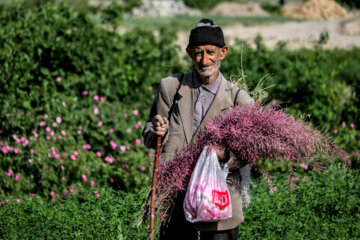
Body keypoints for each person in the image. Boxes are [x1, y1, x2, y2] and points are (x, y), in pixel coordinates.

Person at [143, 18, 254, 240]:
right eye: (198, 52)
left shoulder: (238, 100)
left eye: (210, 52)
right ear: (189, 52)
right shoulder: (171, 87)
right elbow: (149, 134)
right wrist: (156, 131)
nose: (204, 60)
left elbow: (250, 153)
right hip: (176, 196)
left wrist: (226, 155)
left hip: (218, 199)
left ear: (223, 52)